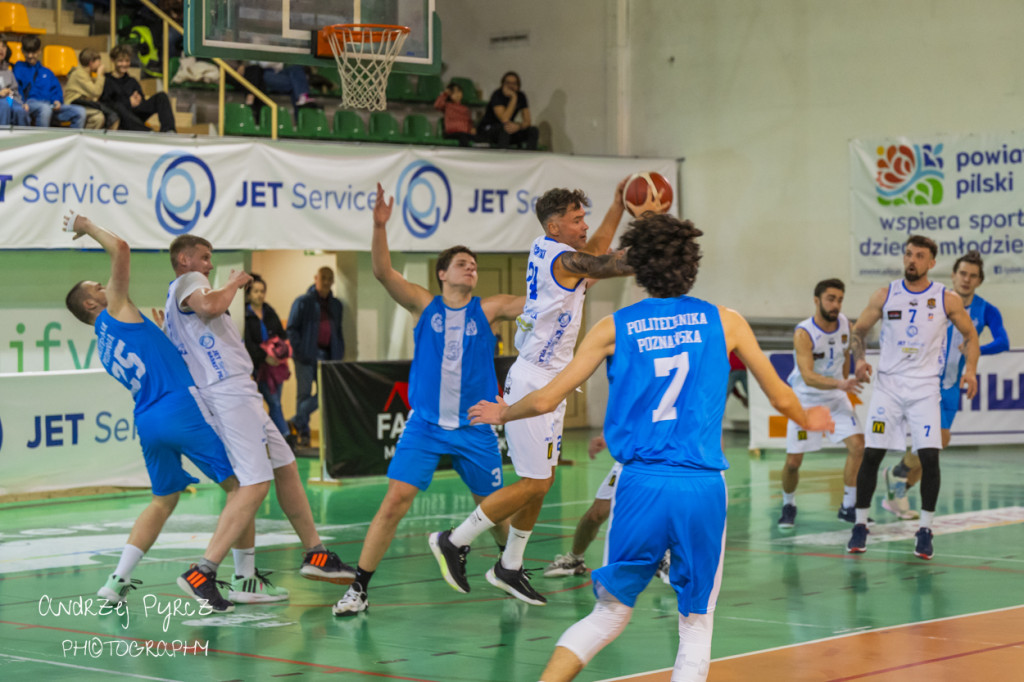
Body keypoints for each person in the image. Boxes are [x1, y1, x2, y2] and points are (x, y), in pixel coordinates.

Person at [468, 213, 834, 682]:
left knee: (607, 616)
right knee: (696, 628)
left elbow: (544, 398)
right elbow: (781, 394)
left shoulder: (613, 327)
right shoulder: (727, 322)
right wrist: (809, 418)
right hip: (701, 485)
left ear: (637, 268)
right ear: (693, 265)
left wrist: (503, 412)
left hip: (638, 484)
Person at [429, 178, 652, 606]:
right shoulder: (562, 259)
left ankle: (509, 566)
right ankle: (454, 540)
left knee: (542, 482)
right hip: (534, 379)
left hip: (549, 379)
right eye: (576, 219)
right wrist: (658, 244)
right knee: (533, 482)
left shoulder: (552, 250)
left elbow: (599, 252)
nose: (584, 225)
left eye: (584, 217)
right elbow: (609, 264)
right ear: (555, 226)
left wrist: (620, 206)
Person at [63, 212, 271, 613]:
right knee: (242, 487)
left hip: (148, 420)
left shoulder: (105, 342)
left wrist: (162, 332)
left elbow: (154, 356)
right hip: (181, 407)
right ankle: (240, 576)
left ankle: (116, 581)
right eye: (97, 287)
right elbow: (121, 249)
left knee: (163, 500)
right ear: (92, 304)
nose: (106, 285)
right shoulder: (115, 309)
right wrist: (87, 226)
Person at [331, 183, 523, 617]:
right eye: (462, 263)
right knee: (394, 502)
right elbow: (382, 272)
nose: (470, 268)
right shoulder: (424, 305)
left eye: (474, 264)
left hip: (475, 425)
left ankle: (511, 568)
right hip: (426, 426)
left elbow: (528, 303)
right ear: (443, 274)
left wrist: (569, 281)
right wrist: (380, 226)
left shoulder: (488, 309)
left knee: (492, 507)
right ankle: (359, 588)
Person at [163, 236, 356, 585]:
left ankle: (316, 552)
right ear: (183, 258)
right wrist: (235, 283)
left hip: (237, 392)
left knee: (285, 465)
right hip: (229, 393)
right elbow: (211, 307)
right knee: (254, 484)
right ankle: (202, 572)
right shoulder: (191, 283)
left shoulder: (173, 303)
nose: (209, 265)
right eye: (204, 258)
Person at [846, 235, 979, 560]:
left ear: (931, 263)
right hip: (888, 388)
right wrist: (859, 359)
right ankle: (860, 525)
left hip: (924, 390)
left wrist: (971, 369)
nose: (912, 260)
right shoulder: (885, 294)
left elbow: (970, 334)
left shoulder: (946, 299)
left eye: (919, 256)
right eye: (908, 254)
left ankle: (925, 529)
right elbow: (857, 331)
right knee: (871, 455)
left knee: (930, 457)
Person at [881, 250, 1009, 519]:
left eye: (973, 276)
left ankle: (898, 485)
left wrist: (974, 349)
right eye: (962, 273)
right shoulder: (937, 301)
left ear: (979, 281)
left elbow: (1003, 342)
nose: (966, 279)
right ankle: (898, 475)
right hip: (927, 382)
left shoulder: (986, 310)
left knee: (939, 444)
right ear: (953, 275)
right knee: (931, 443)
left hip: (952, 385)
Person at [777, 278, 866, 528]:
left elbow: (854, 345)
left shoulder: (845, 324)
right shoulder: (804, 333)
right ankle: (788, 503)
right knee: (793, 463)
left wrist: (857, 366)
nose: (836, 304)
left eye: (839, 299)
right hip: (806, 401)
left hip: (836, 399)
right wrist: (841, 384)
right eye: (830, 298)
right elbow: (808, 376)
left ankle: (848, 506)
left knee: (858, 446)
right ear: (817, 300)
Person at [287, 266, 345, 448]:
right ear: (316, 279)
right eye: (323, 278)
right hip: (305, 356)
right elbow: (291, 328)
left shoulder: (336, 305)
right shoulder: (303, 301)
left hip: (328, 356)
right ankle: (303, 434)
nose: (326, 282)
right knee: (303, 395)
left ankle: (295, 420)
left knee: (325, 394)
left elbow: (338, 330)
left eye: (330, 278)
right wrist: (300, 351)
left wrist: (339, 353)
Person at [243, 273, 292, 444]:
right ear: (249, 294)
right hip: (259, 366)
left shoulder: (269, 311)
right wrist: (265, 357)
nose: (259, 295)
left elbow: (281, 333)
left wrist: (281, 352)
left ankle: (274, 441)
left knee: (275, 403)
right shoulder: (244, 315)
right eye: (256, 291)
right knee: (274, 402)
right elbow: (248, 343)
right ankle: (286, 436)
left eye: (262, 291)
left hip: (276, 366)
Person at [12, 36, 86, 128]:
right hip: (29, 104)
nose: (30, 56)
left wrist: (57, 100)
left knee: (80, 112)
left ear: (39, 51)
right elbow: (15, 89)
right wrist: (21, 103)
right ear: (22, 51)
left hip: (50, 105)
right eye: (27, 52)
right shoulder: (18, 68)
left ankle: (73, 140)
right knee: (45, 109)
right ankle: (43, 140)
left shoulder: (47, 72)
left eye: (33, 52)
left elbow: (56, 89)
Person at [101, 44, 176, 133]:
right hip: (121, 117)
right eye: (120, 61)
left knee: (161, 96)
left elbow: (142, 102)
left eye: (127, 61)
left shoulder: (132, 81)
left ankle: (169, 130)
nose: (124, 64)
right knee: (119, 106)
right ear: (113, 60)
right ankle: (147, 131)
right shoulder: (107, 79)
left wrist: (140, 99)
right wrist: (128, 102)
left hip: (135, 114)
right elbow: (106, 103)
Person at [476, 71, 539, 150]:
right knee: (505, 127)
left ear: (518, 86)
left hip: (507, 130)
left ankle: (530, 158)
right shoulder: (497, 95)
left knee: (533, 130)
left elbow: (527, 121)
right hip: (489, 130)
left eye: (514, 83)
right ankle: (502, 158)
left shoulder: (521, 96)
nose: (511, 86)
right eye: (508, 83)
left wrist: (518, 126)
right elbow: (504, 119)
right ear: (502, 84)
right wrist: (513, 97)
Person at [64, 48, 119, 130]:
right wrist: (100, 75)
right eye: (98, 61)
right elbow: (96, 92)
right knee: (101, 115)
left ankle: (89, 137)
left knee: (98, 118)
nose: (100, 64)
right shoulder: (79, 74)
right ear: (91, 63)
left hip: (83, 104)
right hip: (73, 104)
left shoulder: (85, 74)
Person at [242, 62, 318, 121]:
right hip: (262, 74)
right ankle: (302, 96)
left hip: (279, 73)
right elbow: (261, 64)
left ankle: (302, 96)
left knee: (297, 68)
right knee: (296, 84)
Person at [433, 81, 476, 147]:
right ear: (450, 95)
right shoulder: (447, 106)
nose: (457, 94)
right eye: (454, 92)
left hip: (465, 133)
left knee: (479, 138)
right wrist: (445, 93)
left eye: (459, 91)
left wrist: (472, 129)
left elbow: (469, 122)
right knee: (463, 137)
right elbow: (437, 105)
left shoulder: (465, 109)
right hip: (452, 134)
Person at [0, 41, 31, 126]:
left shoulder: (8, 71)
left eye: (3, 46)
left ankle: (23, 138)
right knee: (4, 104)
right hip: (3, 102)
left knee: (20, 110)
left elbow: (15, 93)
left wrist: (22, 103)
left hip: (9, 100)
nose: (1, 49)